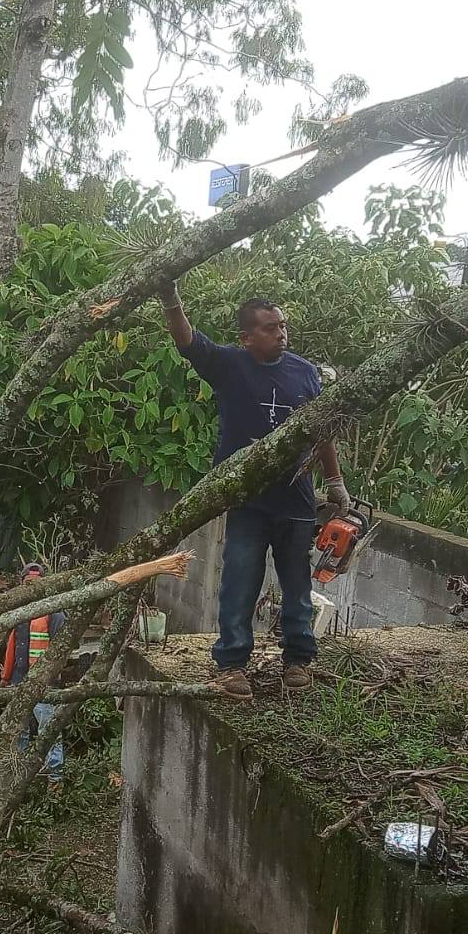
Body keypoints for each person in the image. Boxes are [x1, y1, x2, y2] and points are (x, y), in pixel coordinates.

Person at [159, 287, 351, 699]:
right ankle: (231, 665)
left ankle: (299, 659)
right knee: (240, 582)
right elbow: (187, 341)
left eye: (282, 326)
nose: (281, 333)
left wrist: (334, 482)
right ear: (247, 337)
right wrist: (170, 297)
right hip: (247, 501)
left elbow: (324, 429)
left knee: (297, 585)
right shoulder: (230, 364)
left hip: (297, 501)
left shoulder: (304, 372)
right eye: (270, 328)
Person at [0, 563, 65, 783]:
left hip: (43, 686)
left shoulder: (54, 614)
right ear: (21, 584)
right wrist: (6, 678)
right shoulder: (19, 614)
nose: (32, 588)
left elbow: (60, 653)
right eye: (28, 583)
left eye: (36, 584)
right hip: (18, 682)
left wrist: (50, 678)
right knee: (20, 732)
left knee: (49, 733)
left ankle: (54, 781)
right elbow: (12, 647)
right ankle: (19, 778)